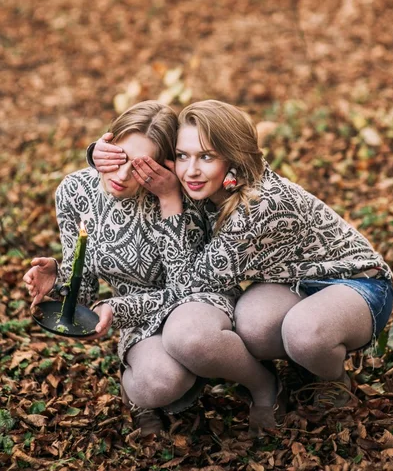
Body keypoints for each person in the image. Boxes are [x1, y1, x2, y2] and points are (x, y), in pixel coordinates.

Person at [92, 99, 393, 432]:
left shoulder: (258, 206)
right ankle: (299, 366)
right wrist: (100, 153)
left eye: (206, 156)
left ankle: (332, 379)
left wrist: (169, 200)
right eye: (182, 155)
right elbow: (144, 152)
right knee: (251, 327)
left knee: (305, 334)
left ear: (233, 157)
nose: (190, 170)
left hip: (357, 284)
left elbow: (191, 286)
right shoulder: (216, 181)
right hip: (291, 284)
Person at [23, 101, 280, 437]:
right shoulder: (75, 191)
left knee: (194, 339)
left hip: (200, 302)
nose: (123, 175)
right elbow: (83, 289)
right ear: (107, 146)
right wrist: (57, 276)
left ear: (165, 166)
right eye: (119, 159)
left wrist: (170, 200)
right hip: (136, 314)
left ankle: (263, 384)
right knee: (160, 382)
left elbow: (185, 286)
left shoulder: (187, 190)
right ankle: (146, 387)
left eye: (142, 167)